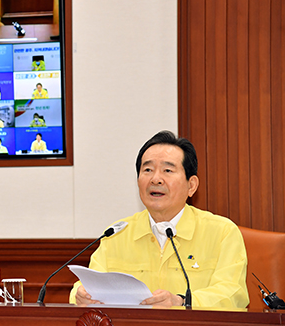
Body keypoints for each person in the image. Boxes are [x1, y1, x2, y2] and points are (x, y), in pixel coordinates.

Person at [69, 131, 249, 309]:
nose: (156, 179)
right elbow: (86, 284)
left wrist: (181, 301)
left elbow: (233, 295)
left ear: (191, 185)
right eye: (147, 170)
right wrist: (81, 295)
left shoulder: (222, 232)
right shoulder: (117, 234)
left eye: (168, 170)